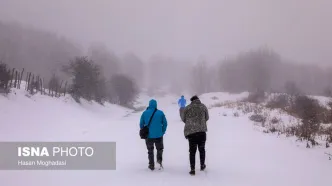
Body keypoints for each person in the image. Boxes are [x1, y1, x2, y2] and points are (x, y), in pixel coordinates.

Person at [181, 95, 209, 175]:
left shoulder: (188, 108)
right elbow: (207, 117)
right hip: (201, 132)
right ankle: (202, 165)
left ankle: (192, 169)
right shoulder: (203, 106)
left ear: (192, 101)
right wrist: (201, 121)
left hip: (191, 133)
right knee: (202, 149)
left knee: (192, 151)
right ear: (198, 100)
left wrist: (191, 123)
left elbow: (183, 119)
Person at [139, 99, 168, 170]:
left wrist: (144, 130)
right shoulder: (160, 113)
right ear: (156, 105)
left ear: (149, 105)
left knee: (150, 150)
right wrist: (162, 131)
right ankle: (159, 162)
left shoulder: (144, 113)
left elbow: (141, 124)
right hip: (159, 135)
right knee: (160, 149)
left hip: (149, 136)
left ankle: (151, 165)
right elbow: (165, 123)